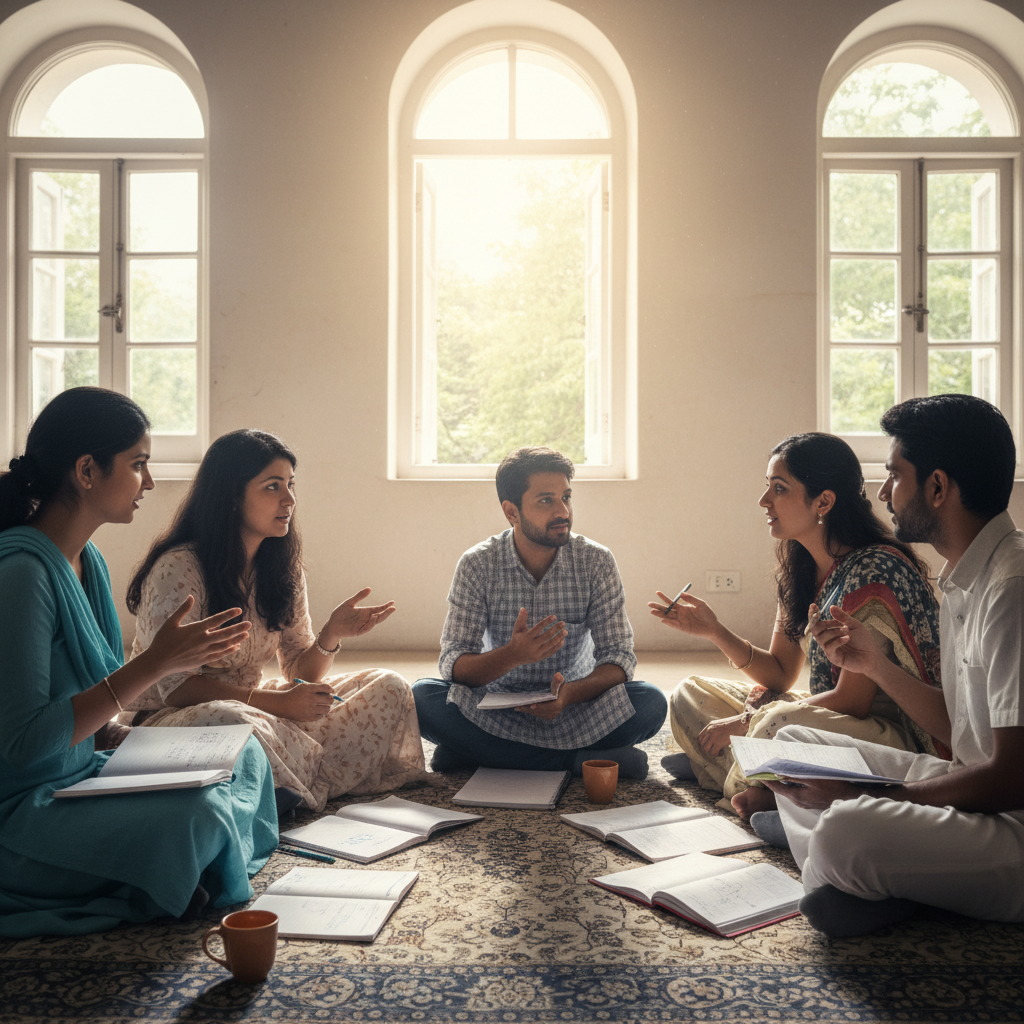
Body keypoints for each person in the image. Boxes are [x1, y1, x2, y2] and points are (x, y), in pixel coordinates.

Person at [0, 388, 277, 938]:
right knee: (195, 815)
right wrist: (155, 665)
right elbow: (22, 745)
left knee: (244, 753)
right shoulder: (22, 573)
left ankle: (167, 872)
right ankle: (169, 871)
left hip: (84, 773)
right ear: (86, 470)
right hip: (26, 810)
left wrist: (134, 741)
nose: (149, 483)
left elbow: (97, 722)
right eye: (138, 464)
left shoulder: (89, 560)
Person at [766, 396, 1024, 938]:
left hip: (1009, 825)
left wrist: (871, 798)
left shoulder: (1011, 590)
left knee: (844, 830)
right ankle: (873, 882)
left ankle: (860, 876)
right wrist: (876, 665)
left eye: (893, 475)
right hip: (964, 783)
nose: (883, 492)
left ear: (937, 487)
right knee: (794, 748)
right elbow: (958, 728)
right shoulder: (965, 575)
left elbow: (1012, 779)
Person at [125, 429, 426, 812]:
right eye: (272, 487)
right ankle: (297, 778)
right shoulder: (179, 568)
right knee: (233, 721)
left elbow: (300, 671)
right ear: (233, 496)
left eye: (291, 485)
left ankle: (288, 780)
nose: (289, 499)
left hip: (263, 710)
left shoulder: (282, 568)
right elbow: (175, 688)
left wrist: (330, 636)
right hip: (177, 719)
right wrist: (276, 704)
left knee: (390, 686)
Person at [652, 433, 944, 826]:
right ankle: (764, 789)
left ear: (823, 501)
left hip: (886, 736)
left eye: (779, 488)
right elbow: (779, 671)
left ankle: (743, 788)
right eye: (767, 487)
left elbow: (852, 702)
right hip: (829, 718)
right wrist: (715, 632)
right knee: (690, 693)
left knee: (775, 721)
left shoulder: (872, 571)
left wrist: (749, 721)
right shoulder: (802, 567)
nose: (764, 501)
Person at [412, 446, 667, 778]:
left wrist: (567, 695)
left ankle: (483, 755)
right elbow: (454, 665)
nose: (563, 511)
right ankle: (577, 762)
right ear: (511, 511)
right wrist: (512, 655)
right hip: (496, 706)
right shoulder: (478, 564)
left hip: (575, 706)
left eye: (567, 497)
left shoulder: (596, 561)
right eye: (546, 500)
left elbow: (619, 658)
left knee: (650, 701)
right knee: (422, 696)